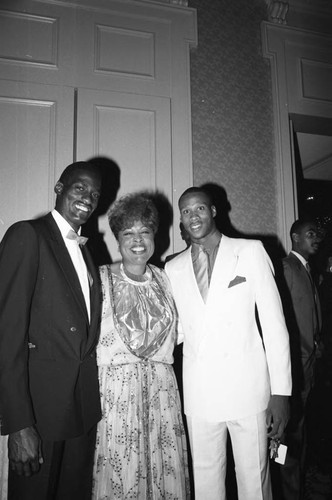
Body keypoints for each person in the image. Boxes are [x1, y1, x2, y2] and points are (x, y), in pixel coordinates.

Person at [165, 186, 292, 500]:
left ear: (214, 211)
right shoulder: (173, 267)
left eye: (200, 209)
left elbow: (275, 325)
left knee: (255, 481)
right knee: (206, 484)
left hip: (249, 393)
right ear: (180, 218)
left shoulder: (250, 251)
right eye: (186, 211)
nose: (193, 216)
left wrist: (282, 393)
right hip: (200, 395)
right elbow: (178, 330)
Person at [0, 161, 102, 499]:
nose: (87, 197)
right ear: (59, 187)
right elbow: (7, 333)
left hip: (81, 411)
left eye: (94, 194)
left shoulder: (87, 250)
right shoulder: (27, 234)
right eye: (79, 188)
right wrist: (18, 424)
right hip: (39, 414)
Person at [92, 192, 190, 500]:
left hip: (163, 393)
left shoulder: (167, 279)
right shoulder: (99, 277)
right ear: (117, 239)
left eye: (144, 232)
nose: (137, 240)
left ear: (155, 237)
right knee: (120, 473)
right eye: (128, 234)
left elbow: (185, 331)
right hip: (115, 395)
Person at [278, 218, 322, 500]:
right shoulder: (286, 267)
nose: (316, 238)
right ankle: (286, 490)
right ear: (295, 237)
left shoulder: (307, 269)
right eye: (310, 234)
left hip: (309, 364)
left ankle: (298, 485)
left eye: (318, 234)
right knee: (288, 435)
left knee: (301, 429)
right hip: (293, 365)